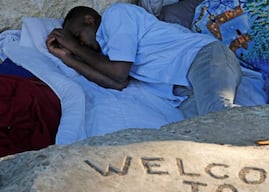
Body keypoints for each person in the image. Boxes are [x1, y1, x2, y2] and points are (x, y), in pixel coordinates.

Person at [46, 3, 242, 118]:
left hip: (202, 57)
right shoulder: (109, 53)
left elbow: (119, 72)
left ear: (88, 20)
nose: (81, 44)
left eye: (78, 36)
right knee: (202, 133)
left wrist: (73, 46)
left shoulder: (116, 14)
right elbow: (117, 83)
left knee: (219, 115)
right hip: (185, 88)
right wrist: (68, 58)